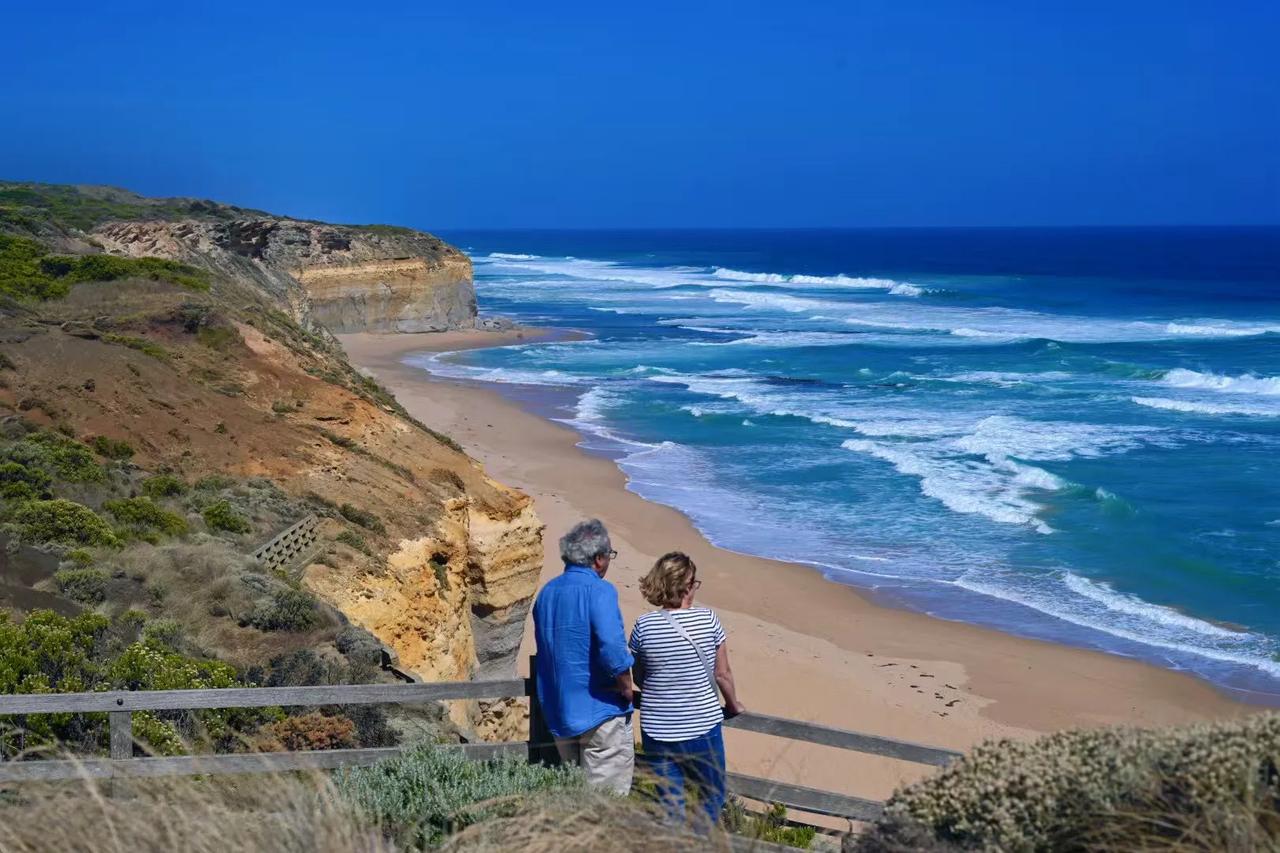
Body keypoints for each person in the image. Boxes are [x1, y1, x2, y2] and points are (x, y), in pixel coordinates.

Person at [630, 551, 744, 827]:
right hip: (702, 726)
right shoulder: (708, 620)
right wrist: (733, 704)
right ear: (685, 586)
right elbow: (722, 674)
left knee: (670, 806)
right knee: (712, 795)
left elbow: (639, 676)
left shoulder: (644, 626)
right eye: (694, 582)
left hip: (657, 729)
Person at [531, 518, 636, 794]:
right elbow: (612, 647)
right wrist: (627, 688)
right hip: (600, 711)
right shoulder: (600, 591)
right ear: (598, 559)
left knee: (575, 799)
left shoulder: (547, 593)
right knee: (605, 803)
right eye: (609, 555)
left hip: (558, 711)